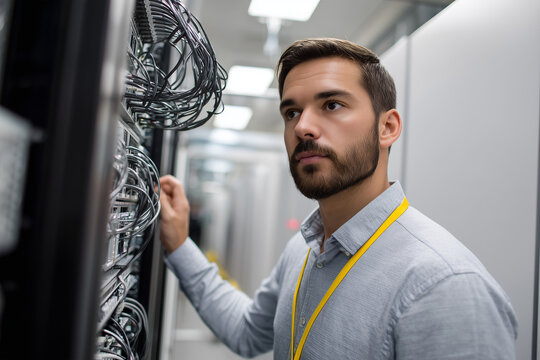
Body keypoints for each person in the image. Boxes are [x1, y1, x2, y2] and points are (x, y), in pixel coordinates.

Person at [158, 38, 518, 359]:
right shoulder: (303, 251)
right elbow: (248, 333)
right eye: (292, 112)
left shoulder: (445, 287)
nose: (302, 127)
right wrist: (178, 245)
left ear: (387, 127)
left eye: (331, 105)